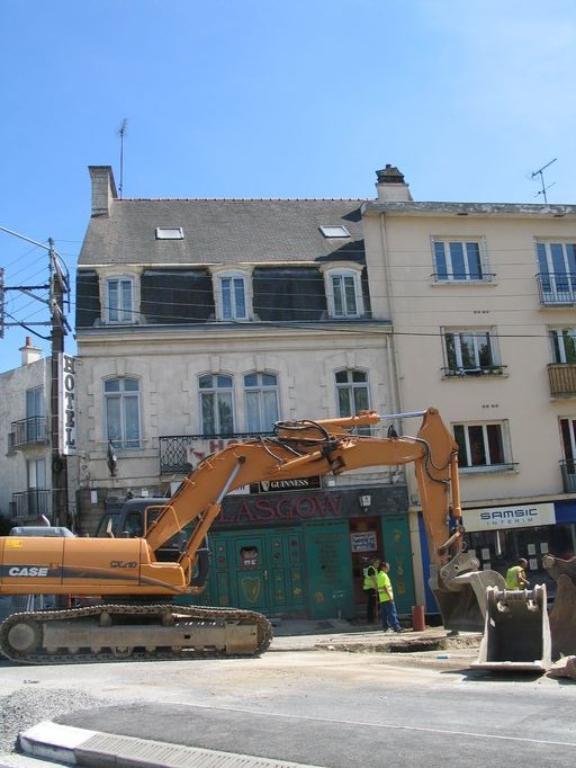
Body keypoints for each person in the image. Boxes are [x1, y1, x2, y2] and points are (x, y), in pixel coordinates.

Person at [376, 561, 402, 633]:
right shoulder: (384, 575)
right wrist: (390, 596)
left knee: (384, 614)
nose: (388, 569)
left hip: (382, 598)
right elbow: (385, 587)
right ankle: (396, 627)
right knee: (392, 612)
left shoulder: (379, 575)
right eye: (387, 567)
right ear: (383, 567)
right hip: (387, 598)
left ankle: (385, 627)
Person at [362, 557, 380, 624]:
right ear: (373, 563)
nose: (377, 564)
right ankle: (370, 619)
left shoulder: (374, 569)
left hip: (372, 588)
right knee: (372, 604)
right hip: (370, 588)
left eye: (378, 563)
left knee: (373, 604)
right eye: (376, 563)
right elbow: (373, 579)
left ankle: (372, 618)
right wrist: (377, 587)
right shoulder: (371, 569)